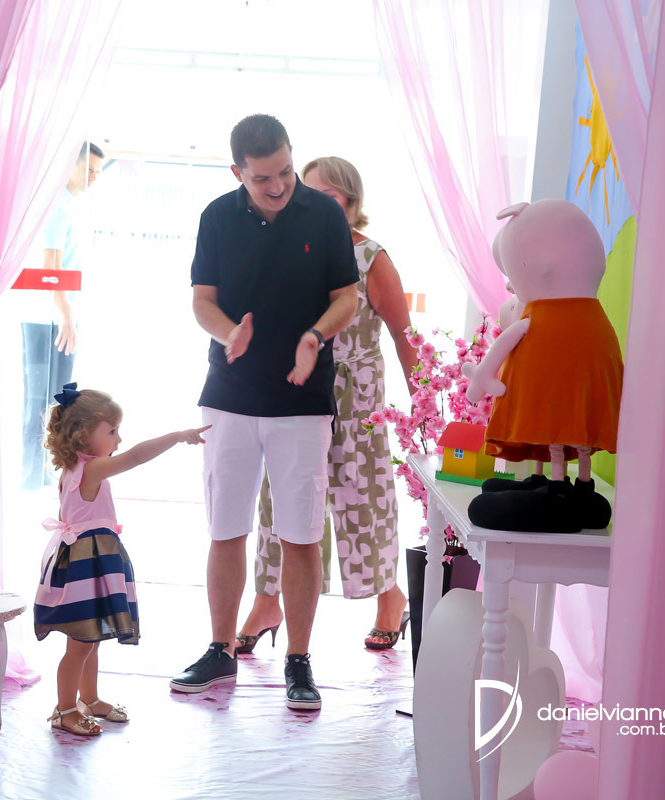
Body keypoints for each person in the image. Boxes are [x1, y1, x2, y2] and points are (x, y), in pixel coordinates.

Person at [170, 115, 358, 710]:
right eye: (261, 179)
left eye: (284, 172)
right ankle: (220, 649)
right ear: (237, 172)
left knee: (300, 535)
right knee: (226, 528)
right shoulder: (216, 217)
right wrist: (230, 334)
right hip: (229, 396)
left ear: (291, 156)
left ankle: (298, 660)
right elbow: (202, 301)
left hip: (302, 401)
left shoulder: (324, 215)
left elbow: (347, 298)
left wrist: (316, 336)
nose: (277, 187)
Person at [235, 157, 418, 655]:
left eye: (329, 195)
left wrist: (423, 404)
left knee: (363, 495)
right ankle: (267, 601)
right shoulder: (287, 246)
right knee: (281, 496)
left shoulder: (371, 257)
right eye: (308, 193)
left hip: (356, 397)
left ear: (351, 202)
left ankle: (391, 599)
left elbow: (403, 334)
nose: (315, 204)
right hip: (294, 391)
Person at [34, 382, 209, 736]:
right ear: (83, 435)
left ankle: (90, 698)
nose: (119, 439)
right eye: (112, 431)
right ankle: (65, 709)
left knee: (90, 638)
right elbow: (136, 457)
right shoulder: (91, 469)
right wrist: (177, 436)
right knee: (79, 645)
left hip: (90, 560)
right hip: (87, 563)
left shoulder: (76, 468)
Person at [19, 143, 106, 491]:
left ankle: (41, 472)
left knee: (58, 400)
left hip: (61, 317)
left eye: (98, 172)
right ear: (71, 166)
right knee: (40, 402)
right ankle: (30, 476)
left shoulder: (71, 206)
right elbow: (50, 270)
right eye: (89, 170)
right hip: (47, 320)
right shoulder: (55, 206)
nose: (93, 178)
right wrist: (67, 316)